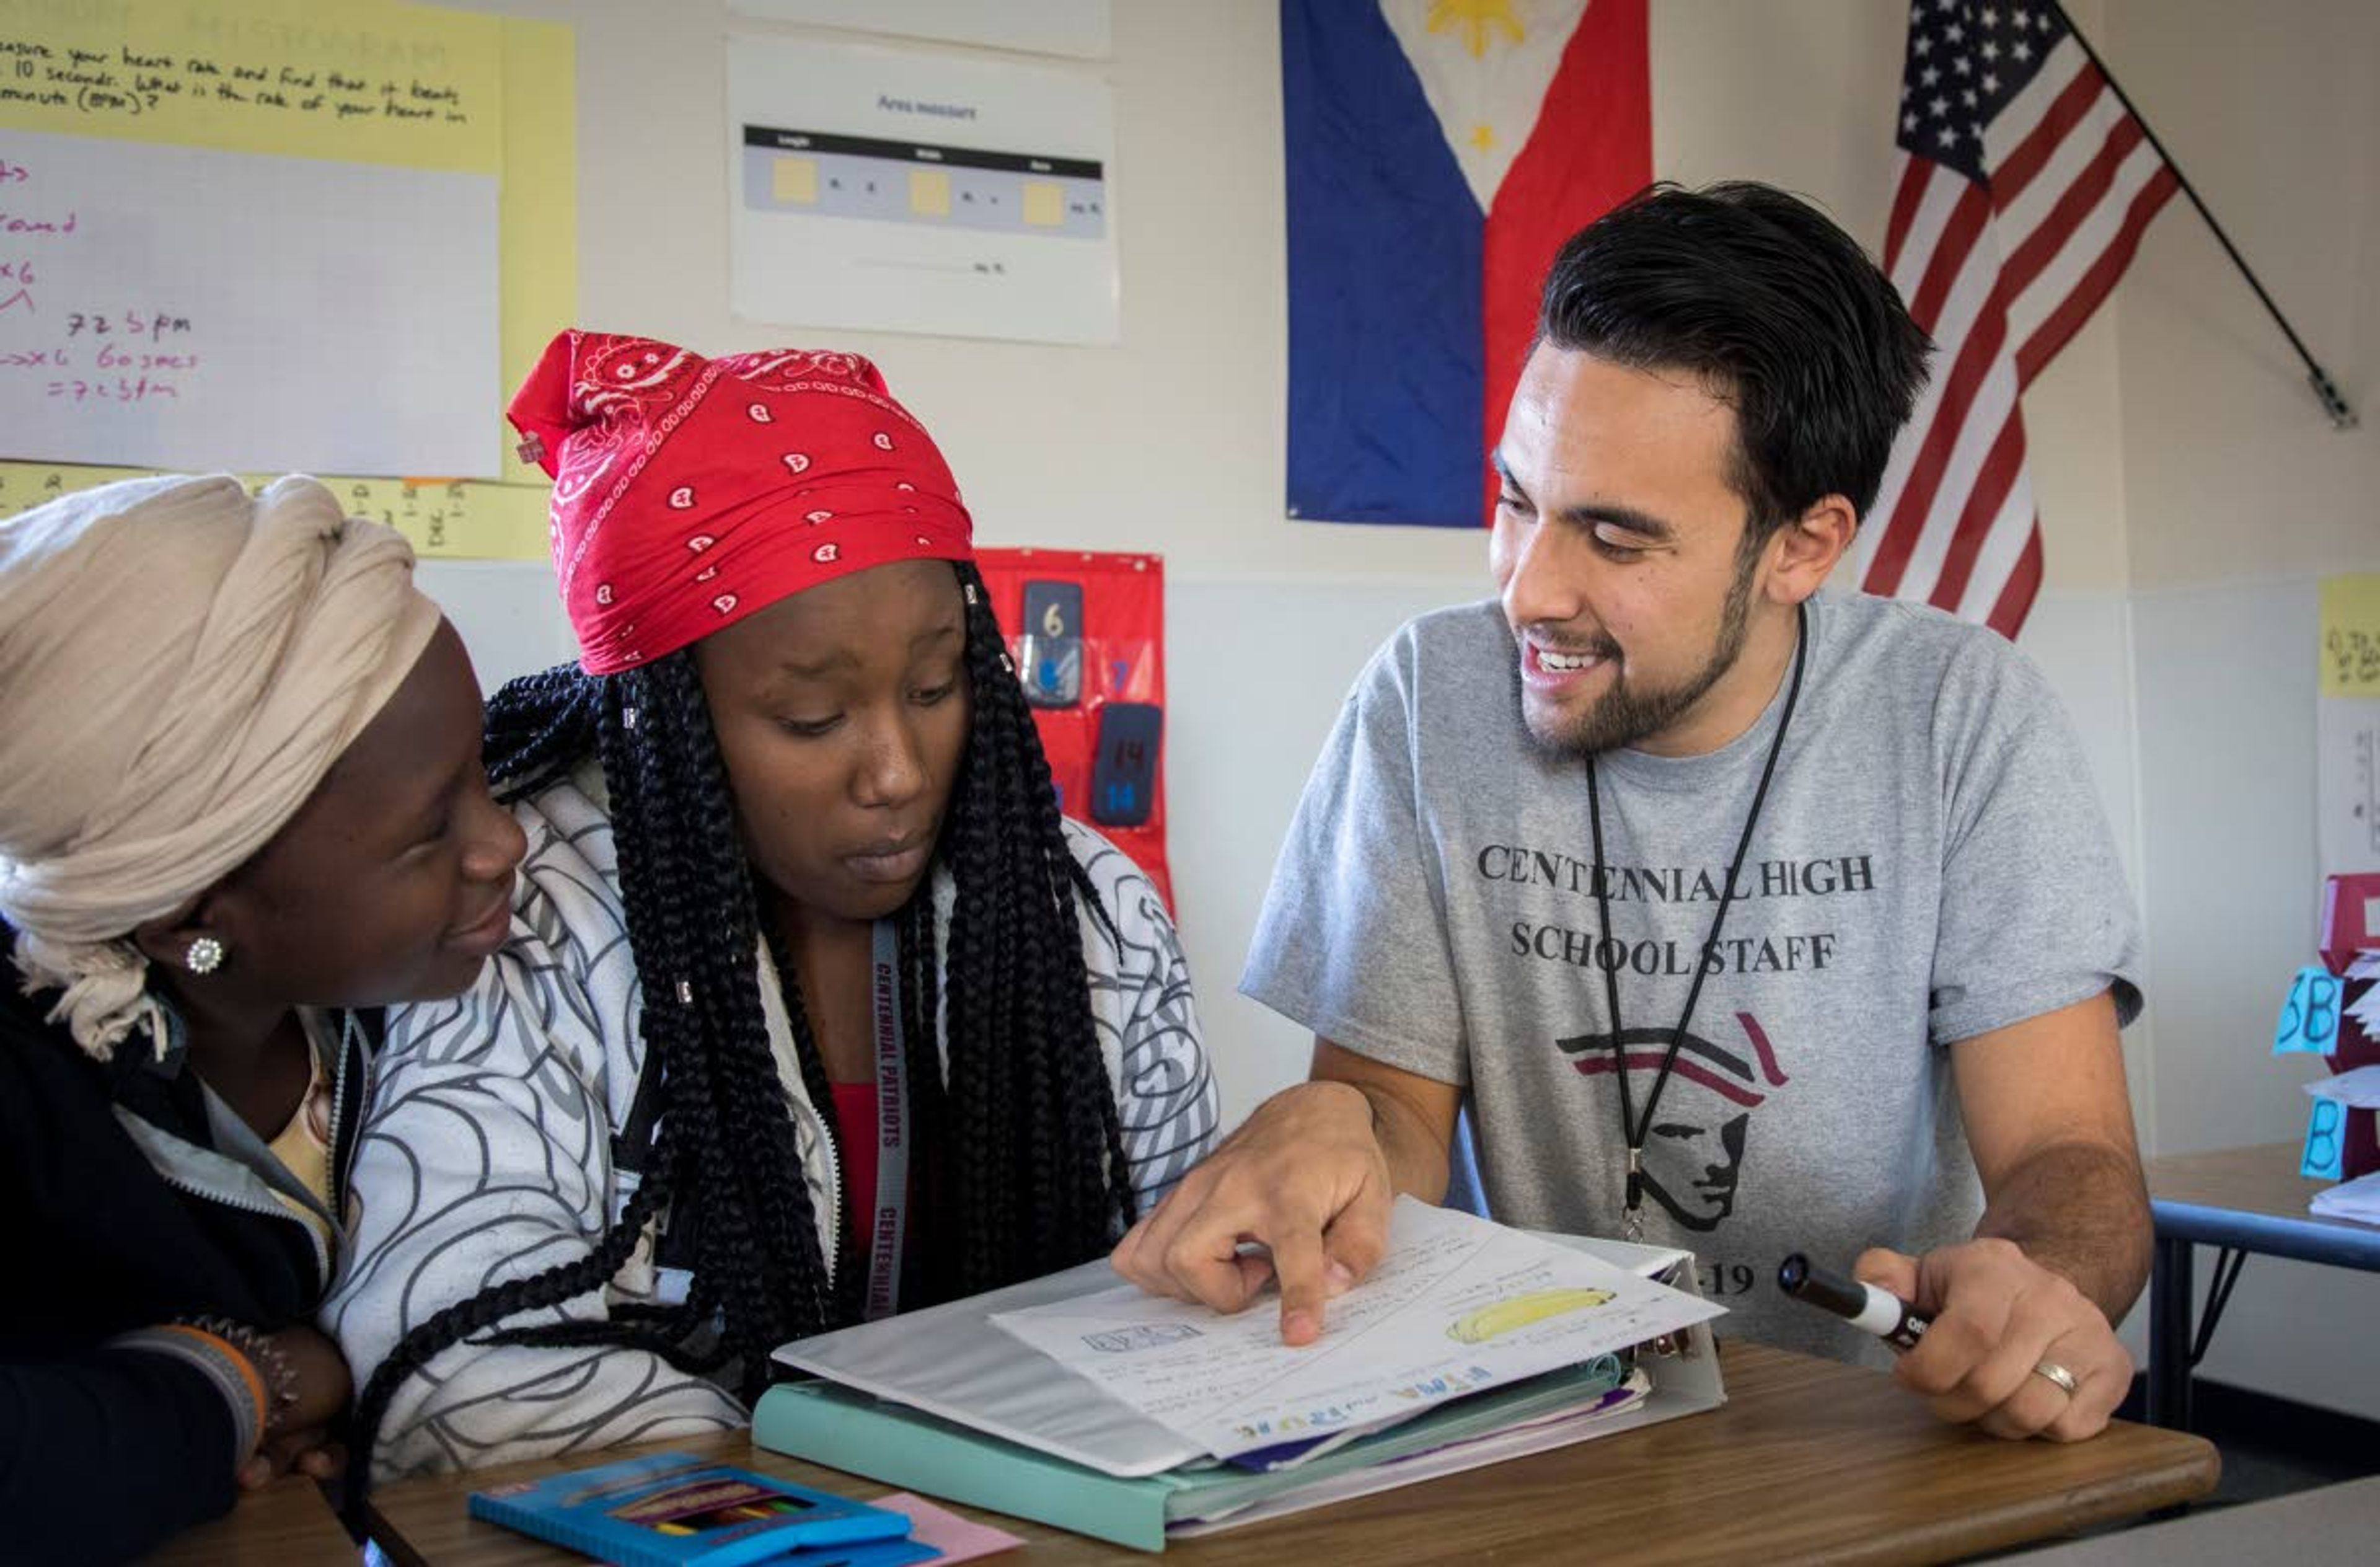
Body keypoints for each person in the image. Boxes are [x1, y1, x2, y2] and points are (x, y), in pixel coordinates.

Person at [1113, 182, 2151, 1444]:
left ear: (1803, 547)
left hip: (1869, 1447)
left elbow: (2070, 1158)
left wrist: (2037, 1281)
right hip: (1532, 1433)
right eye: (1515, 503)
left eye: (1614, 537)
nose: (1529, 590)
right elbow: (1392, 1132)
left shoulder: (1960, 712)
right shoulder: (1426, 698)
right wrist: (1328, 1130)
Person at [330, 332, 1220, 1480]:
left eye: (937, 686)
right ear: (671, 718)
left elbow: (1201, 1292)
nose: (896, 770)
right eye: (812, 720)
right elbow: (448, 1368)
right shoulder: (534, 924)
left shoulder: (1090, 912)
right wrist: (841, 1476)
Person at [0, 474, 526, 1563]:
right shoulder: (30, 1097)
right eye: (431, 830)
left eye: (483, 778)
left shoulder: (417, 1009)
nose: (503, 845)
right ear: (192, 914)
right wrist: (247, 1382)